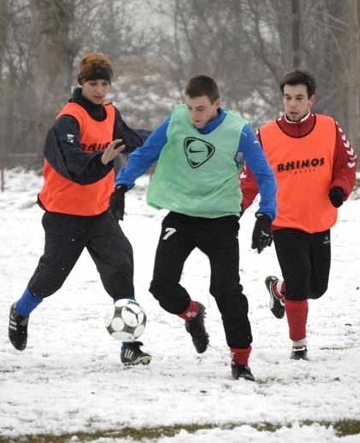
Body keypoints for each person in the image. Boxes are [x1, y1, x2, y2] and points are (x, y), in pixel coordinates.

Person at [109, 74, 277, 381]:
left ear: (217, 104)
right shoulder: (176, 121)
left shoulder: (237, 130)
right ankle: (192, 314)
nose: (194, 115)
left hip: (221, 218)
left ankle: (240, 361)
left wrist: (266, 215)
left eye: (200, 108)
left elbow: (265, 175)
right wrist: (121, 186)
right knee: (161, 285)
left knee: (226, 291)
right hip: (182, 215)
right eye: (190, 108)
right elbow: (146, 153)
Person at [8, 52, 152, 365]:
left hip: (99, 213)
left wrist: (165, 137)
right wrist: (101, 159)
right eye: (93, 83)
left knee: (121, 263)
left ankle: (130, 344)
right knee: (52, 278)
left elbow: (131, 139)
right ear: (81, 83)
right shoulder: (67, 120)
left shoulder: (110, 114)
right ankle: (20, 311)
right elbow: (74, 166)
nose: (99, 89)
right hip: (63, 215)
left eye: (104, 83)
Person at [240, 68, 357, 361]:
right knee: (301, 280)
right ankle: (299, 345)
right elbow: (250, 180)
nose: (292, 104)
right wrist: (235, 213)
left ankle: (277, 288)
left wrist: (339, 189)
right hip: (284, 221)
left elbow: (347, 165)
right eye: (287, 97)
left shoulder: (329, 127)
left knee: (316, 288)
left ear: (311, 100)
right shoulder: (265, 136)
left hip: (320, 220)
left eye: (299, 98)